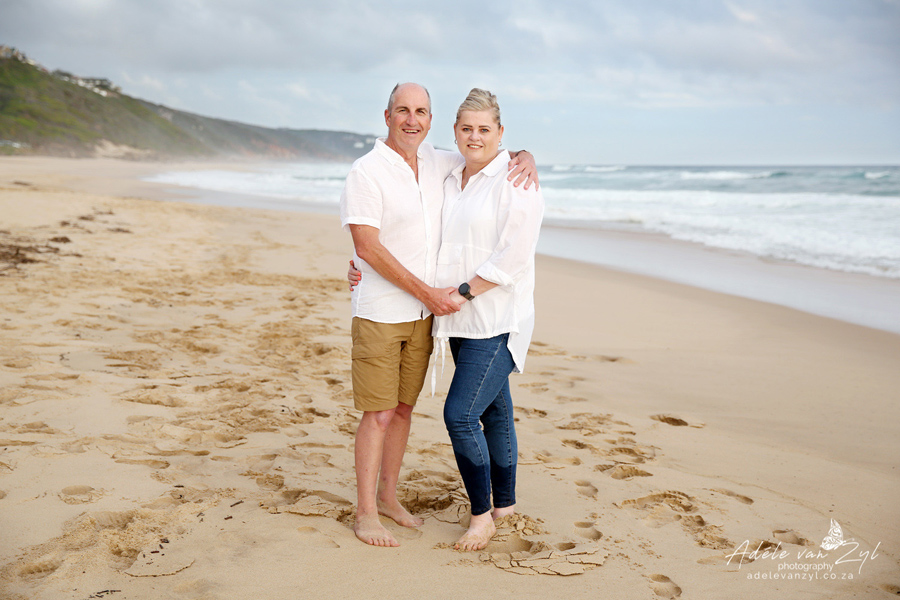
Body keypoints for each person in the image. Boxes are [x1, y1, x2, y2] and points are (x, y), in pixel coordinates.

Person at [339, 82, 538, 547]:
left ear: (431, 121)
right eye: (403, 110)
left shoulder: (447, 165)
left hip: (445, 316)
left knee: (410, 411)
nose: (412, 120)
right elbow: (367, 245)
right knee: (382, 414)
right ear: (387, 115)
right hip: (392, 311)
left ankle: (394, 499)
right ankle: (368, 512)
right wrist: (425, 291)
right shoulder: (371, 171)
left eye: (421, 111)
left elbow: (489, 158)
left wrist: (525, 155)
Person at [432, 88, 544, 551]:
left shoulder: (516, 180)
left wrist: (463, 292)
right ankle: (505, 507)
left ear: (500, 133)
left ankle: (481, 517)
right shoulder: (448, 172)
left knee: (459, 416)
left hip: (496, 318)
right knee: (495, 411)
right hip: (458, 321)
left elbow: (514, 255)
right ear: (455, 131)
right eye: (466, 128)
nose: (474, 137)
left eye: (484, 129)